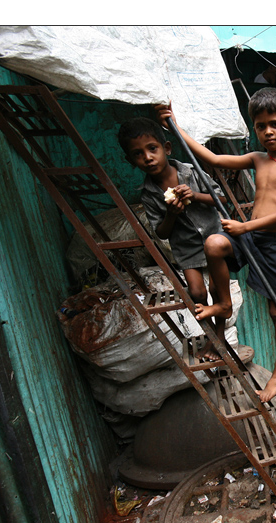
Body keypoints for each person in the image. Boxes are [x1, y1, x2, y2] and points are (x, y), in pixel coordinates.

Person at [157, 88, 276, 403]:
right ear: (254, 129)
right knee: (213, 244)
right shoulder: (256, 158)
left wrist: (244, 225)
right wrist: (174, 125)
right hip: (248, 234)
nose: (268, 131)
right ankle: (224, 304)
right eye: (261, 126)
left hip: (272, 241)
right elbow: (211, 158)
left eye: (275, 124)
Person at [117, 116, 226, 361]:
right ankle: (208, 334)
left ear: (166, 148)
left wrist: (195, 196)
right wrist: (171, 213)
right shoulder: (148, 194)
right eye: (138, 154)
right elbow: (162, 233)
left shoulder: (190, 171)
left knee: (216, 289)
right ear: (130, 161)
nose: (147, 157)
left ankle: (218, 337)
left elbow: (221, 199)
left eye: (152, 149)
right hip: (185, 248)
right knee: (197, 294)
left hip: (214, 237)